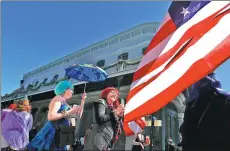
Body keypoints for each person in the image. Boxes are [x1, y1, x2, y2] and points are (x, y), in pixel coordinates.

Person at [27, 80, 87, 151]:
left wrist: (83, 100)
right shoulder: (58, 98)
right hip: (53, 133)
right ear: (65, 89)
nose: (73, 92)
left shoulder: (65, 103)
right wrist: (70, 111)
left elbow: (79, 115)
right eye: (71, 89)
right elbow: (51, 117)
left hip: (61, 133)